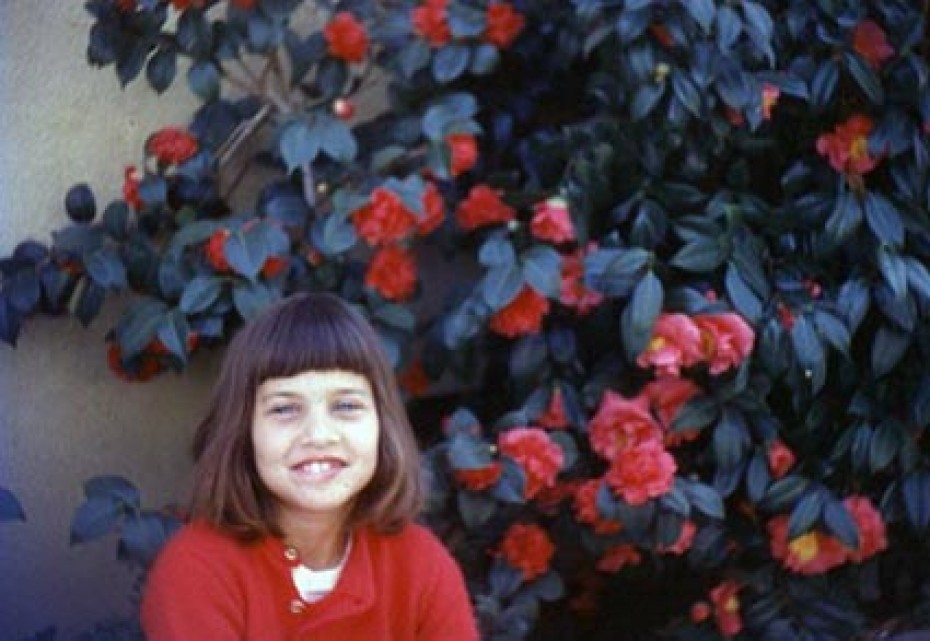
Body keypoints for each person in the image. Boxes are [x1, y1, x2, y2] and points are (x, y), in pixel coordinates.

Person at [141, 292, 479, 640]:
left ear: (382, 424)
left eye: (346, 405)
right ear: (243, 432)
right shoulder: (198, 572)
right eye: (285, 409)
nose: (318, 435)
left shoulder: (421, 565)